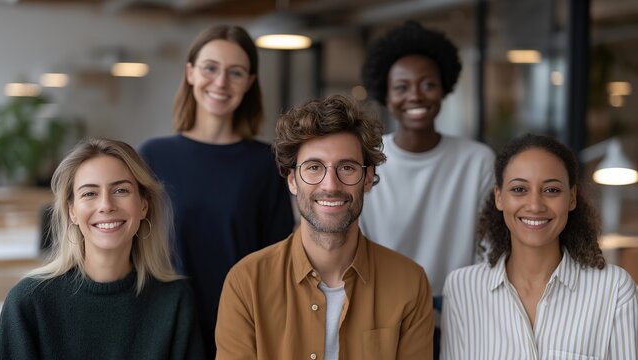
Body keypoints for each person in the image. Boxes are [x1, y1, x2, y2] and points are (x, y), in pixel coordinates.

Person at [215, 94, 435, 359]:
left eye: (347, 168)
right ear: (292, 180)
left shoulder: (409, 283)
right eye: (314, 167)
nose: (330, 185)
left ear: (368, 178)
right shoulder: (246, 283)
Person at [139, 25, 295, 357]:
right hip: (163, 331)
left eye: (235, 72)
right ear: (191, 73)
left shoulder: (266, 164)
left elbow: (278, 263)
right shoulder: (152, 156)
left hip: (242, 333)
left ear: (250, 82)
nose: (221, 82)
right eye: (210, 68)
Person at [0, 137, 204, 360]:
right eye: (89, 193)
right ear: (72, 211)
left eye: (121, 190)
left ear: (144, 205)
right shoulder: (28, 303)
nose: (106, 205)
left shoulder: (175, 301)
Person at [359, 20, 495, 355]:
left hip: (462, 321)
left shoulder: (476, 160)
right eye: (402, 87)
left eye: (428, 84)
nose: (415, 95)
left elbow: (490, 249)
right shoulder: (367, 159)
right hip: (382, 321)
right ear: (386, 94)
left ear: (444, 88)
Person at [441, 134, 637, 358]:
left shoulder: (614, 290)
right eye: (519, 189)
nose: (535, 206)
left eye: (551, 190)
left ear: (571, 198)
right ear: (499, 197)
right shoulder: (462, 288)